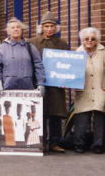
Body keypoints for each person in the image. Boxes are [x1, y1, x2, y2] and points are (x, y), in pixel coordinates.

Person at [27, 11, 69, 153]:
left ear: (56, 28)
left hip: (56, 85)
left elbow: (67, 64)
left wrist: (65, 78)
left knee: (55, 114)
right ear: (42, 27)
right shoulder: (32, 43)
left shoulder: (62, 44)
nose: (49, 29)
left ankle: (54, 143)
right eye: (46, 26)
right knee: (40, 113)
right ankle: (41, 142)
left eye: (52, 26)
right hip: (39, 83)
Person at [70, 27, 105, 154]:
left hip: (100, 88)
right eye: (86, 39)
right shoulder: (77, 53)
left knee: (99, 118)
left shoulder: (103, 52)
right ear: (82, 40)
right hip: (83, 89)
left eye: (93, 38)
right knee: (81, 118)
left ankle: (98, 144)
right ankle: (79, 144)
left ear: (97, 40)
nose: (90, 41)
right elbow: (71, 72)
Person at [0, 18, 45, 93]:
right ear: (8, 31)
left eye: (18, 27)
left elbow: (38, 65)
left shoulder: (30, 47)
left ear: (21, 30)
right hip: (7, 88)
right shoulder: (2, 48)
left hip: (28, 88)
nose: (16, 29)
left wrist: (40, 83)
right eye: (12, 28)